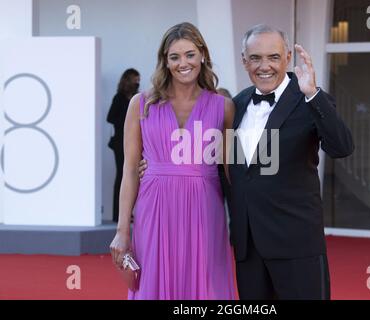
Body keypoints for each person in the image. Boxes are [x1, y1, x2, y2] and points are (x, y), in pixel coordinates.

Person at [139, 24, 354, 300]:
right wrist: (150, 166)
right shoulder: (234, 105)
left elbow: (342, 147)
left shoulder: (308, 99)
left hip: (295, 246)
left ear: (287, 57)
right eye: (255, 58)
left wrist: (313, 94)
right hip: (248, 249)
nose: (264, 66)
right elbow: (213, 163)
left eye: (273, 57)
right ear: (244, 62)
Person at [109, 22, 237, 300]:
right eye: (174, 57)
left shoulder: (223, 106)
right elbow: (130, 170)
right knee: (153, 283)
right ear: (164, 61)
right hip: (154, 207)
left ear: (202, 55)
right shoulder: (141, 105)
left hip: (205, 208)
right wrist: (122, 230)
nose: (183, 63)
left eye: (190, 54)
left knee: (205, 284)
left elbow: (232, 173)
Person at [107, 68, 141, 222]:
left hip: (133, 141)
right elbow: (110, 117)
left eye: (138, 79)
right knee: (123, 175)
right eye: (135, 78)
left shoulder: (136, 98)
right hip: (120, 142)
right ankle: (118, 215)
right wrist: (128, 123)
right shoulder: (119, 98)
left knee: (135, 175)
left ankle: (130, 213)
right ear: (127, 79)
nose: (137, 81)